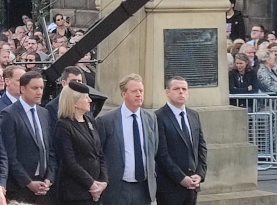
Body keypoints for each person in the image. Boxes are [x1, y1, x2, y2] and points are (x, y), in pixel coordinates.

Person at [95, 74, 158, 205]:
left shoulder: (150, 118)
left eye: (141, 91)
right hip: (117, 188)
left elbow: (154, 149)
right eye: (134, 91)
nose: (139, 94)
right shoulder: (107, 121)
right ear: (124, 94)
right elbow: (99, 154)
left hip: (144, 188)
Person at [0, 71, 57, 203]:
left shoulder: (44, 113)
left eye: (41, 88)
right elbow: (9, 155)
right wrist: (28, 183)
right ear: (22, 89)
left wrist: (49, 178)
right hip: (20, 187)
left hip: (44, 186)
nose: (39, 92)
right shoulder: (9, 114)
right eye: (35, 88)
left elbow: (49, 149)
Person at [154, 78, 207, 205]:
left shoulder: (194, 115)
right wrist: (181, 178)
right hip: (169, 188)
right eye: (176, 89)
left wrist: (199, 174)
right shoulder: (158, 117)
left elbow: (201, 147)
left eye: (184, 89)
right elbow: (162, 154)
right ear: (167, 92)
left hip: (192, 186)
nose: (181, 92)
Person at [55, 81, 107, 204]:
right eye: (86, 97)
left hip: (96, 191)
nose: (90, 100)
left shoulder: (90, 121)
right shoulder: (64, 125)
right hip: (76, 193)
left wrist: (104, 181)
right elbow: (70, 162)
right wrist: (91, 185)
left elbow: (99, 153)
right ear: (75, 102)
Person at [46, 66, 85, 135]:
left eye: (79, 81)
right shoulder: (52, 107)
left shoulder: (85, 103)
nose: (77, 84)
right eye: (73, 81)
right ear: (64, 83)